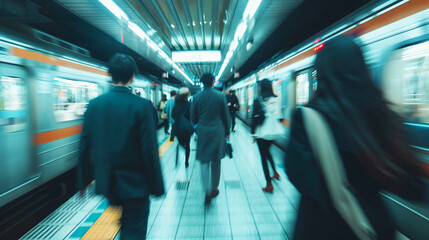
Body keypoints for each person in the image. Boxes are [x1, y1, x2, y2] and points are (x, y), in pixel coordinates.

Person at [285, 35, 426, 239]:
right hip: (373, 226)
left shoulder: (307, 118)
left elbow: (299, 176)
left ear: (322, 73)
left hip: (320, 228)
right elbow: (413, 188)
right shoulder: (384, 116)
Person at [77, 53, 165, 240]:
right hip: (135, 184)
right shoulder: (142, 106)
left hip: (107, 182)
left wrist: (83, 181)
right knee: (134, 227)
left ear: (110, 74)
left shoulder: (94, 105)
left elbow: (85, 145)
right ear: (133, 76)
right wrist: (156, 185)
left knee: (125, 222)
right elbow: (149, 150)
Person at [191, 73, 230, 205]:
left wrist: (198, 129)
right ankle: (214, 189)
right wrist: (227, 132)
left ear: (201, 83)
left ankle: (206, 191)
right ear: (213, 82)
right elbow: (226, 115)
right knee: (216, 161)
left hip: (203, 131)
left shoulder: (196, 97)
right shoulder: (220, 96)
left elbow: (193, 118)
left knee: (204, 162)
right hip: (218, 132)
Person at [250, 79, 281, 193]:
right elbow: (279, 116)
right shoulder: (276, 99)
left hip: (261, 133)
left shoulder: (258, 100)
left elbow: (254, 119)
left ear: (261, 87)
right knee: (268, 152)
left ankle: (269, 184)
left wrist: (253, 134)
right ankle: (275, 172)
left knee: (263, 157)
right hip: (272, 132)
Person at [172, 87, 192, 168]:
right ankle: (186, 161)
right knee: (188, 144)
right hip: (187, 128)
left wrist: (178, 119)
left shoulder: (176, 104)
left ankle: (183, 147)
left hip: (178, 127)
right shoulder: (189, 104)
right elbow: (191, 116)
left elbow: (172, 115)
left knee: (181, 143)